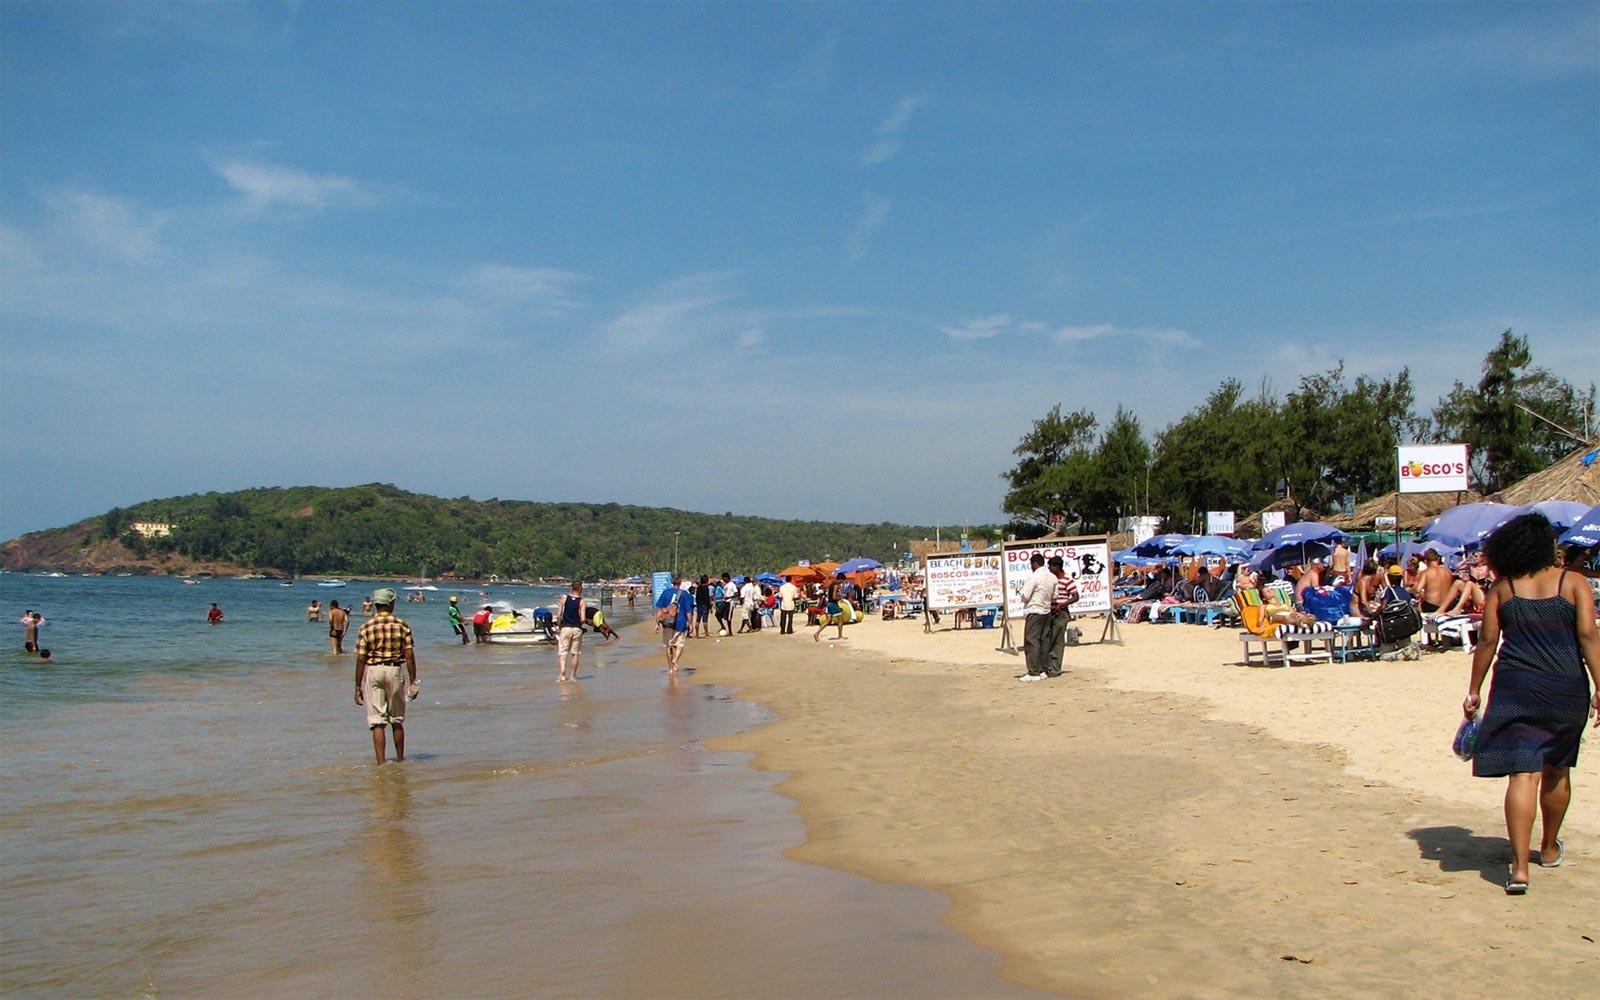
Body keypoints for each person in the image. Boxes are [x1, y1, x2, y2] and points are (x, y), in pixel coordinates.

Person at [1463, 513, 1600, 894]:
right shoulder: (1573, 583)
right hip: (1565, 688)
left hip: (1514, 688)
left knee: (1523, 774)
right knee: (1557, 769)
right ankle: (1550, 847)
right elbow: (1588, 634)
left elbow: (1487, 642)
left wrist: (1474, 689)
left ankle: (1520, 868)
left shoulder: (1503, 589)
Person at [354, 588, 419, 765]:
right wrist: (413, 681)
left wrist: (357, 686)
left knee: (377, 721)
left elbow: (361, 659)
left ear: (376, 605)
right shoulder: (402, 625)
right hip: (395, 670)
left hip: (373, 670)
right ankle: (400, 759)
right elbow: (409, 655)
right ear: (390, 604)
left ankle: (381, 763)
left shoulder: (366, 627)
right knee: (396, 719)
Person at [1016, 553, 1056, 681]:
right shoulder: (1052, 577)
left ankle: (1033, 672)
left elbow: (1026, 595)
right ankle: (1043, 669)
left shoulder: (1034, 577)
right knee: (1044, 640)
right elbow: (1055, 596)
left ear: (1035, 564)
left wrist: (1020, 593)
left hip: (1034, 610)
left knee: (1031, 641)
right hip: (1046, 610)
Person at [1043, 556, 1078, 677]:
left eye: (1051, 566)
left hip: (1061, 613)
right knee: (1047, 638)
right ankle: (1047, 666)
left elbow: (1075, 596)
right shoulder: (1051, 579)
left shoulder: (1067, 580)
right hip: (1049, 611)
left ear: (1056, 567)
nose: (1049, 569)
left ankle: (1055, 668)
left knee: (1057, 640)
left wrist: (1063, 604)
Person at [655, 579, 691, 675]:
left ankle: (671, 668)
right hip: (681, 622)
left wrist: (657, 623)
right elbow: (688, 611)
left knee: (668, 645)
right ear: (680, 584)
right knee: (679, 644)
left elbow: (660, 610)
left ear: (672, 583)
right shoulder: (684, 594)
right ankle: (675, 659)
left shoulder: (665, 593)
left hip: (667, 622)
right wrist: (690, 623)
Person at [555, 581, 586, 682]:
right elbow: (583, 619)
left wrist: (560, 625)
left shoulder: (564, 599)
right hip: (576, 628)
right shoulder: (582, 601)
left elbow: (559, 614)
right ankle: (572, 676)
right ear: (580, 588)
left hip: (565, 628)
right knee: (575, 653)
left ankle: (563, 673)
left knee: (563, 652)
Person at [813, 573, 849, 643]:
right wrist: (841, 598)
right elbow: (834, 597)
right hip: (833, 604)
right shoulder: (836, 586)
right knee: (841, 619)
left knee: (828, 621)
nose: (842, 582)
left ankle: (817, 633)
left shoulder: (832, 584)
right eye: (842, 580)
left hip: (829, 603)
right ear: (840, 579)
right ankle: (840, 636)